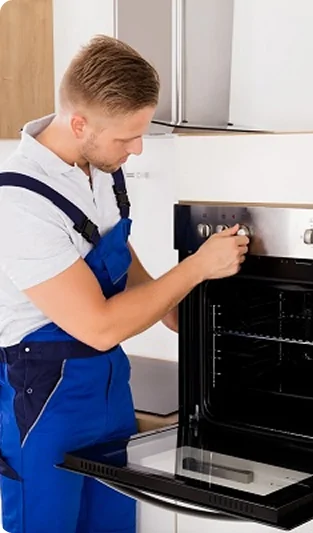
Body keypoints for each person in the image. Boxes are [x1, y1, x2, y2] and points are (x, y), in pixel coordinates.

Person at [0, 35, 249, 533]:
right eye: (126, 138)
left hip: (111, 389)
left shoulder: (99, 165)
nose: (136, 149)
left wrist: (170, 306)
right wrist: (196, 268)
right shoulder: (20, 204)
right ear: (79, 124)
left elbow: (114, 251)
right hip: (45, 401)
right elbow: (98, 327)